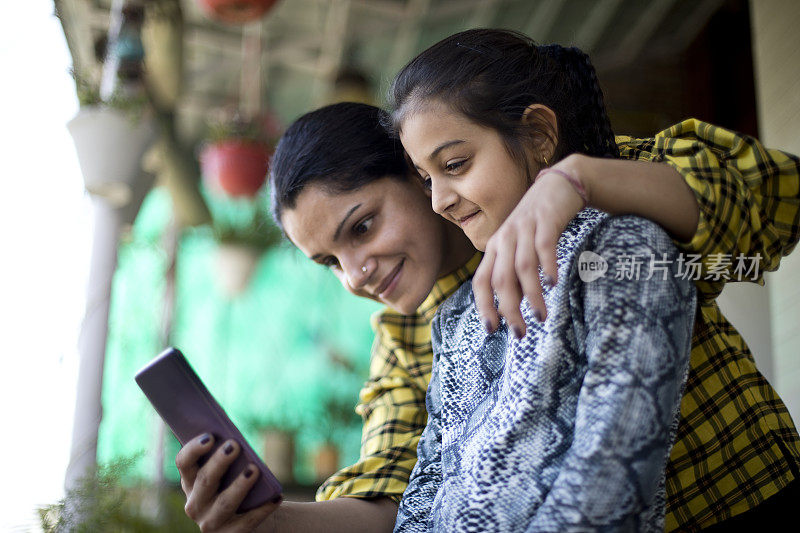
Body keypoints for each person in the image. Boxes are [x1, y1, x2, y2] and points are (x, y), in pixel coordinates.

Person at [175, 91, 800, 531]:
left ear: (420, 175)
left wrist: (576, 182)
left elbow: (776, 199)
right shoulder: (407, 330)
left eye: (362, 226)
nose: (355, 274)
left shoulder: (582, 190)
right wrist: (272, 522)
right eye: (328, 262)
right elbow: (401, 494)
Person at [388, 28, 800, 531]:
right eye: (427, 178)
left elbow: (780, 203)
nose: (439, 201)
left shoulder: (622, 198)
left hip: (739, 494)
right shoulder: (469, 300)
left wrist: (579, 180)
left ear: (539, 135)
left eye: (455, 164)